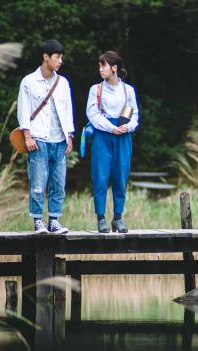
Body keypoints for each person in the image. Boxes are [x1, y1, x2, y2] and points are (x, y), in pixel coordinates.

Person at [17, 39, 74, 234]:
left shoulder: (63, 83)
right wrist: (27, 136)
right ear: (46, 57)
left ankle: (54, 220)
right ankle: (38, 221)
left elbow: (68, 111)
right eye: (57, 57)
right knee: (38, 182)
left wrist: (70, 136)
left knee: (59, 183)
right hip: (38, 138)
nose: (60, 61)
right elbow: (23, 110)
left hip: (59, 140)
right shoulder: (29, 81)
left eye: (61, 57)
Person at [86, 51, 140, 233]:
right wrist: (110, 127)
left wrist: (128, 127)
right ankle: (100, 217)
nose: (100, 69)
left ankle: (118, 217)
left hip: (123, 136)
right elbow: (92, 114)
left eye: (104, 65)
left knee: (121, 176)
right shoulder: (96, 89)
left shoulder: (128, 90)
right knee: (100, 176)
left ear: (114, 68)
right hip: (103, 134)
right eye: (100, 65)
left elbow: (135, 115)